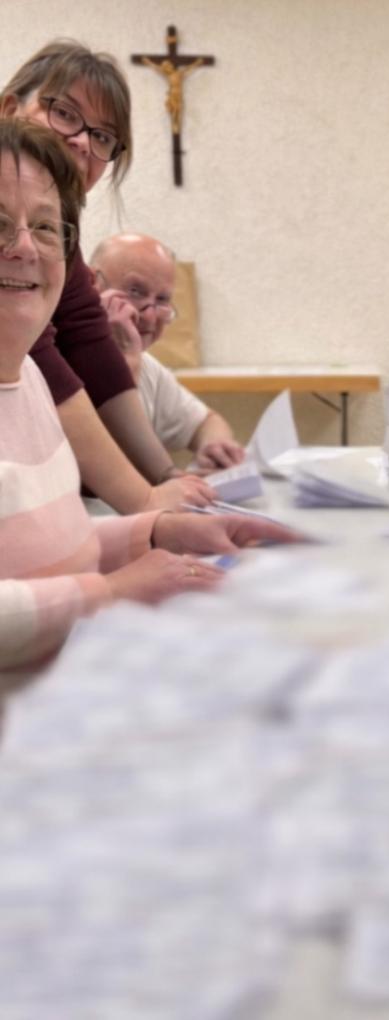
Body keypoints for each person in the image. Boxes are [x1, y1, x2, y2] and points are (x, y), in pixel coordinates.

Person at [0, 118, 297, 672]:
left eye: (45, 228)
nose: (23, 247)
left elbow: (42, 549)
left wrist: (155, 532)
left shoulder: (32, 380)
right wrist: (110, 593)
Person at [1, 40, 214, 511]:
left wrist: (164, 477)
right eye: (65, 113)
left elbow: (89, 347)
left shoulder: (64, 249)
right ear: (9, 106)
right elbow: (44, 358)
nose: (81, 141)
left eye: (102, 137)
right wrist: (146, 501)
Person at [91, 233, 246, 472]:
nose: (150, 316)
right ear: (92, 286)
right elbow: (105, 471)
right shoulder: (53, 362)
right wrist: (125, 369)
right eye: (135, 291)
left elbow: (206, 422)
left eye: (162, 299)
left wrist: (214, 445)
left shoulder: (148, 368)